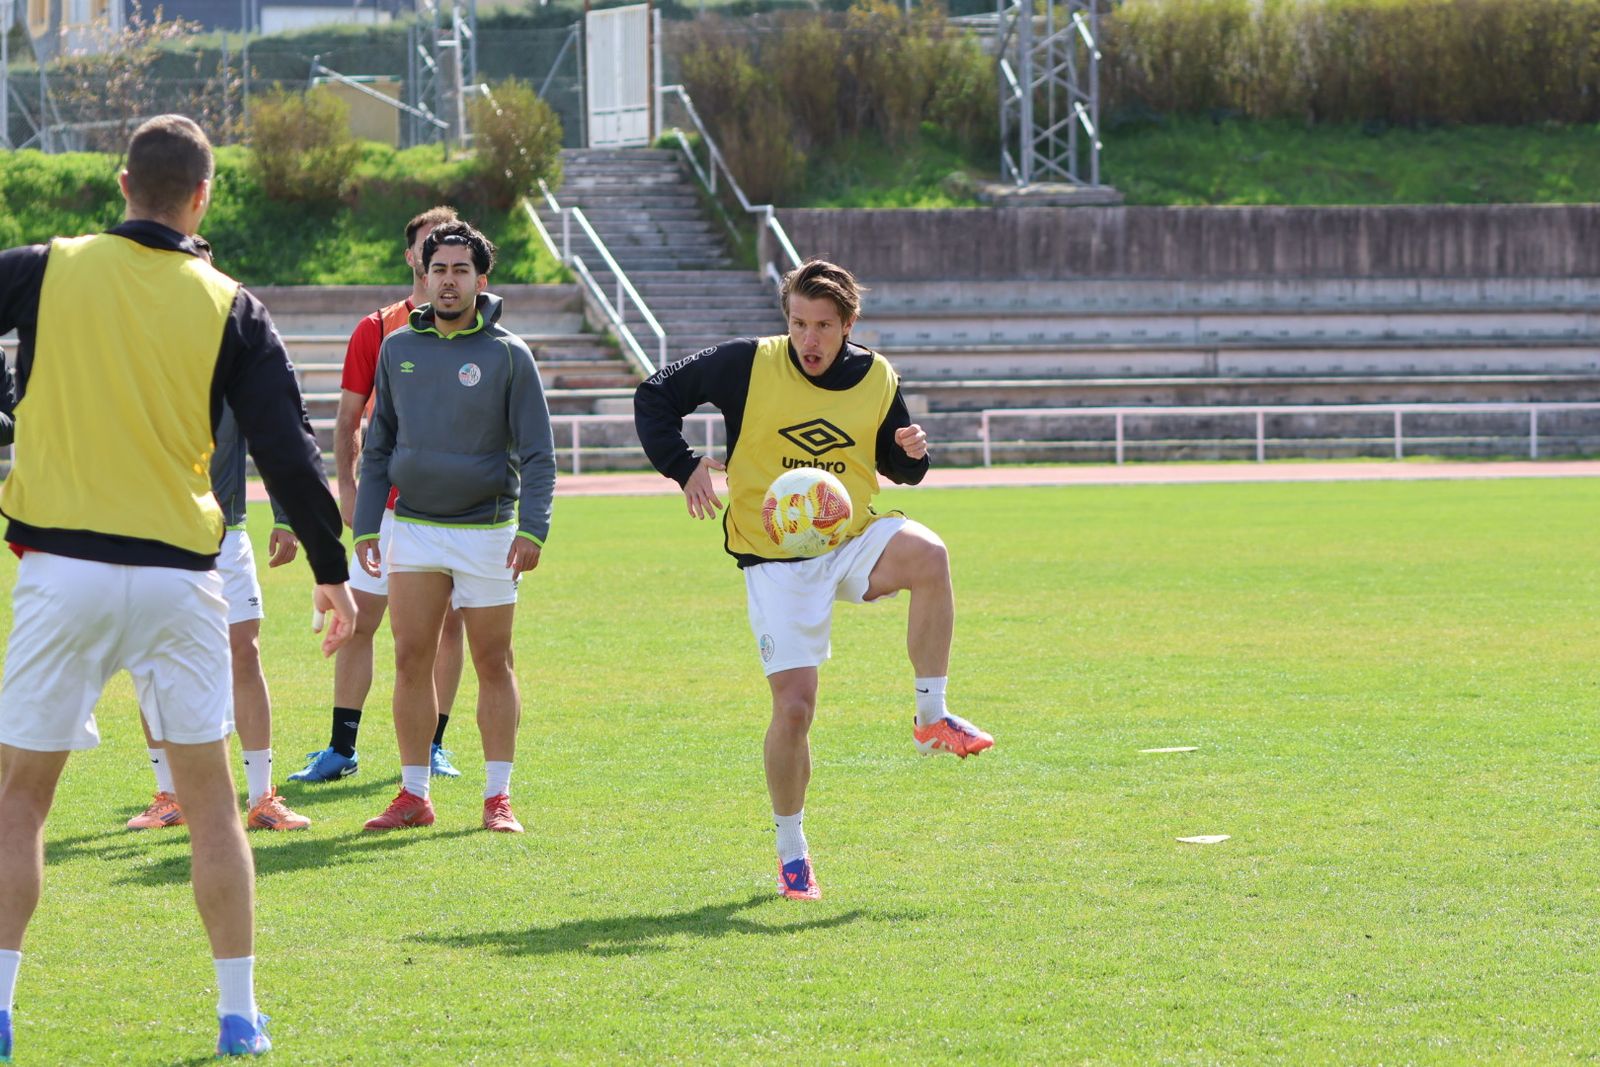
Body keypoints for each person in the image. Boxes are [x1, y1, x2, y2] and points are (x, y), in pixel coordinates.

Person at [0, 115, 356, 1059]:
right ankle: (238, 1017)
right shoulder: (231, 302)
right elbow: (288, 448)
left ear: (122, 183)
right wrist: (331, 569)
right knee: (211, 804)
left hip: (60, 570)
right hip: (178, 577)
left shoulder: (45, 266)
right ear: (203, 197)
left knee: (20, 800)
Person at [633, 258, 993, 903]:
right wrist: (681, 464)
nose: (809, 339)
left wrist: (913, 454)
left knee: (930, 555)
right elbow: (654, 394)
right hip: (773, 558)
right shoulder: (747, 361)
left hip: (849, 539)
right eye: (798, 322)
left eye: (824, 325)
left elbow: (893, 464)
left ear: (849, 324)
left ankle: (932, 717)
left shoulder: (877, 375)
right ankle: (792, 853)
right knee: (795, 709)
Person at [353, 220, 555, 834]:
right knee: (410, 659)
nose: (448, 280)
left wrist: (534, 528)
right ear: (424, 273)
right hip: (413, 527)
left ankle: (498, 799)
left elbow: (540, 452)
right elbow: (378, 443)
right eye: (439, 269)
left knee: (494, 662)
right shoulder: (397, 349)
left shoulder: (509, 355)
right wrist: (366, 527)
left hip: (490, 532)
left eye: (461, 270)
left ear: (480, 280)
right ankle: (413, 794)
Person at [125, 235, 313, 833]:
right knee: (152, 663)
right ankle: (167, 793)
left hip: (225, 530)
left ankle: (262, 795)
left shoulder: (240, 352)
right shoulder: (141, 353)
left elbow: (276, 436)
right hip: (152, 534)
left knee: (244, 653)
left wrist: (286, 515)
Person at [290, 206, 468, 784]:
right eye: (428, 248)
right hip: (387, 508)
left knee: (448, 628)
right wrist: (348, 491)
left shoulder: (482, 328)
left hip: (459, 511)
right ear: (411, 256)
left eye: (450, 250)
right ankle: (342, 748)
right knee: (359, 620)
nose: (437, 259)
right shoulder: (376, 328)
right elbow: (346, 421)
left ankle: (433, 745)